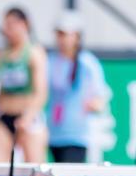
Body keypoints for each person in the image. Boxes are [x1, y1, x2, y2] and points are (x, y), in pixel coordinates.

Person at [0, 7, 47, 166]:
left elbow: (40, 92)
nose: (8, 30)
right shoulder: (2, 54)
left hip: (28, 117)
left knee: (33, 168)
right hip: (6, 116)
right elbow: (1, 89)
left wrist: (27, 117)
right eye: (6, 25)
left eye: (12, 25)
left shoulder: (34, 53)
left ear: (25, 25)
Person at [45, 11, 108, 163]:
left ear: (77, 37)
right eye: (59, 34)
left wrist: (93, 105)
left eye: (66, 34)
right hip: (53, 133)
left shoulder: (87, 63)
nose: (62, 39)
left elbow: (100, 97)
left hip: (77, 135)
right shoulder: (50, 61)